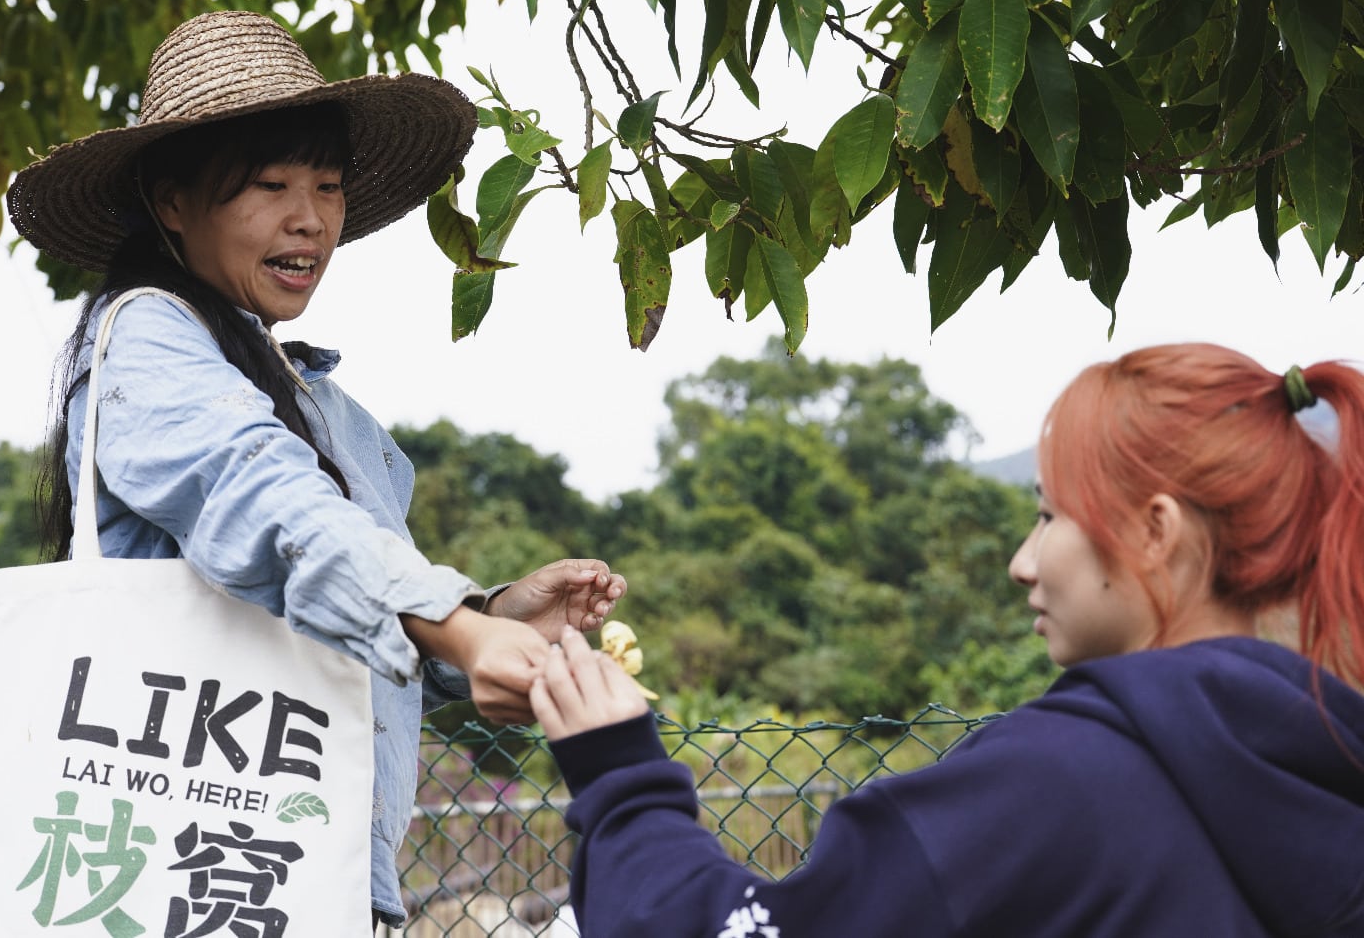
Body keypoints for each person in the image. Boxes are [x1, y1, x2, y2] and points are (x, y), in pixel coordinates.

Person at [6, 9, 626, 930]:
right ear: (172, 202)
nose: (310, 219)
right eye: (269, 183)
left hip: (306, 884)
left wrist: (492, 619)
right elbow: (265, 500)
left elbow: (344, 592)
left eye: (328, 186)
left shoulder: (327, 408)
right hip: (188, 876)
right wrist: (457, 627)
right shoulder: (147, 335)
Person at [532, 343, 1364, 937]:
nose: (1022, 562)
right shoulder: (1322, 766)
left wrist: (623, 778)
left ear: (1156, 532)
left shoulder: (1052, 782)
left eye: (1048, 516)